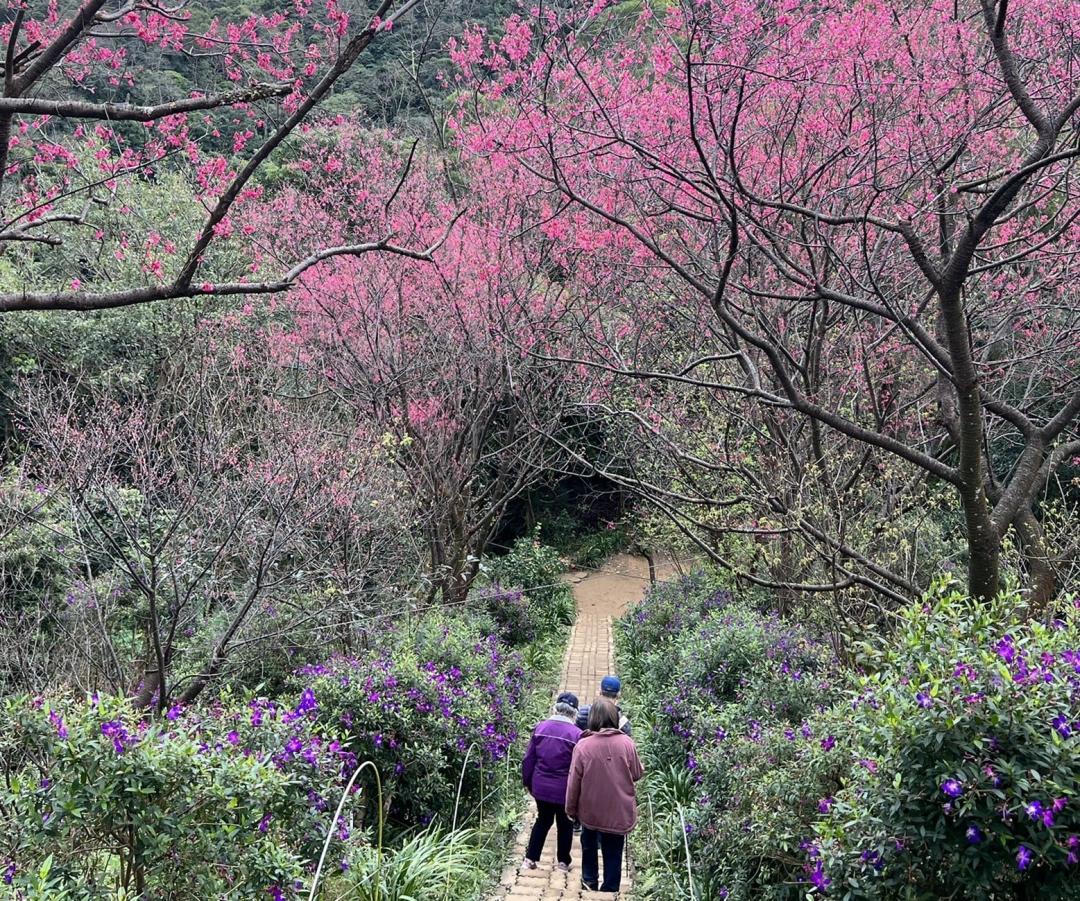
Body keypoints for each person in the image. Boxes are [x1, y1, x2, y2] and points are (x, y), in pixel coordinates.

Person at [565, 696, 645, 892]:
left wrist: (570, 808)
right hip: (618, 812)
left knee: (589, 846)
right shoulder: (626, 743)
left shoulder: (583, 746)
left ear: (592, 718)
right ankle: (610, 889)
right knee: (614, 852)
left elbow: (573, 781)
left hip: (590, 811)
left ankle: (589, 881)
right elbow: (637, 773)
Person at [521, 691, 582, 872]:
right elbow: (579, 767)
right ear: (574, 712)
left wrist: (528, 782)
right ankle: (563, 862)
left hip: (541, 786)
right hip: (564, 789)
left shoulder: (540, 728)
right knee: (565, 823)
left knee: (543, 820)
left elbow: (528, 760)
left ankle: (530, 859)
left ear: (556, 707)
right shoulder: (577, 734)